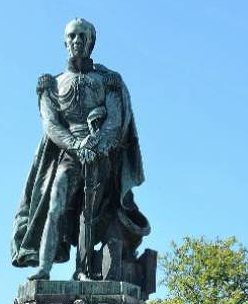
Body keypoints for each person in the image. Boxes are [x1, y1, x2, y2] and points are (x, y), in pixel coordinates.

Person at [10, 18, 150, 284]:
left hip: (100, 154)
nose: (77, 41)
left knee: (90, 214)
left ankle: (83, 270)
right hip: (68, 153)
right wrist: (77, 145)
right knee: (55, 203)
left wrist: (95, 147)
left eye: (82, 37)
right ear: (65, 42)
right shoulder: (52, 84)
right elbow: (51, 124)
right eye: (72, 36)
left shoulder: (106, 81)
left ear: (91, 42)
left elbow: (115, 120)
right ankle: (44, 267)